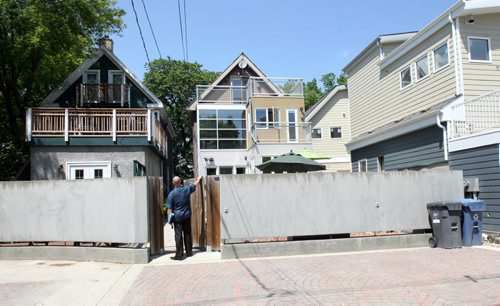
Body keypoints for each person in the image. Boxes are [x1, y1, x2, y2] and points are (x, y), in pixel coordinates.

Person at [166, 175, 202, 260]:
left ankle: (179, 255)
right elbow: (195, 184)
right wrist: (199, 179)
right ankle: (189, 252)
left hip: (177, 217)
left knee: (178, 235)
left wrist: (169, 219)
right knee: (188, 233)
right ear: (180, 182)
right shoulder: (186, 189)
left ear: (173, 183)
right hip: (187, 215)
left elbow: (169, 208)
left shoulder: (171, 194)